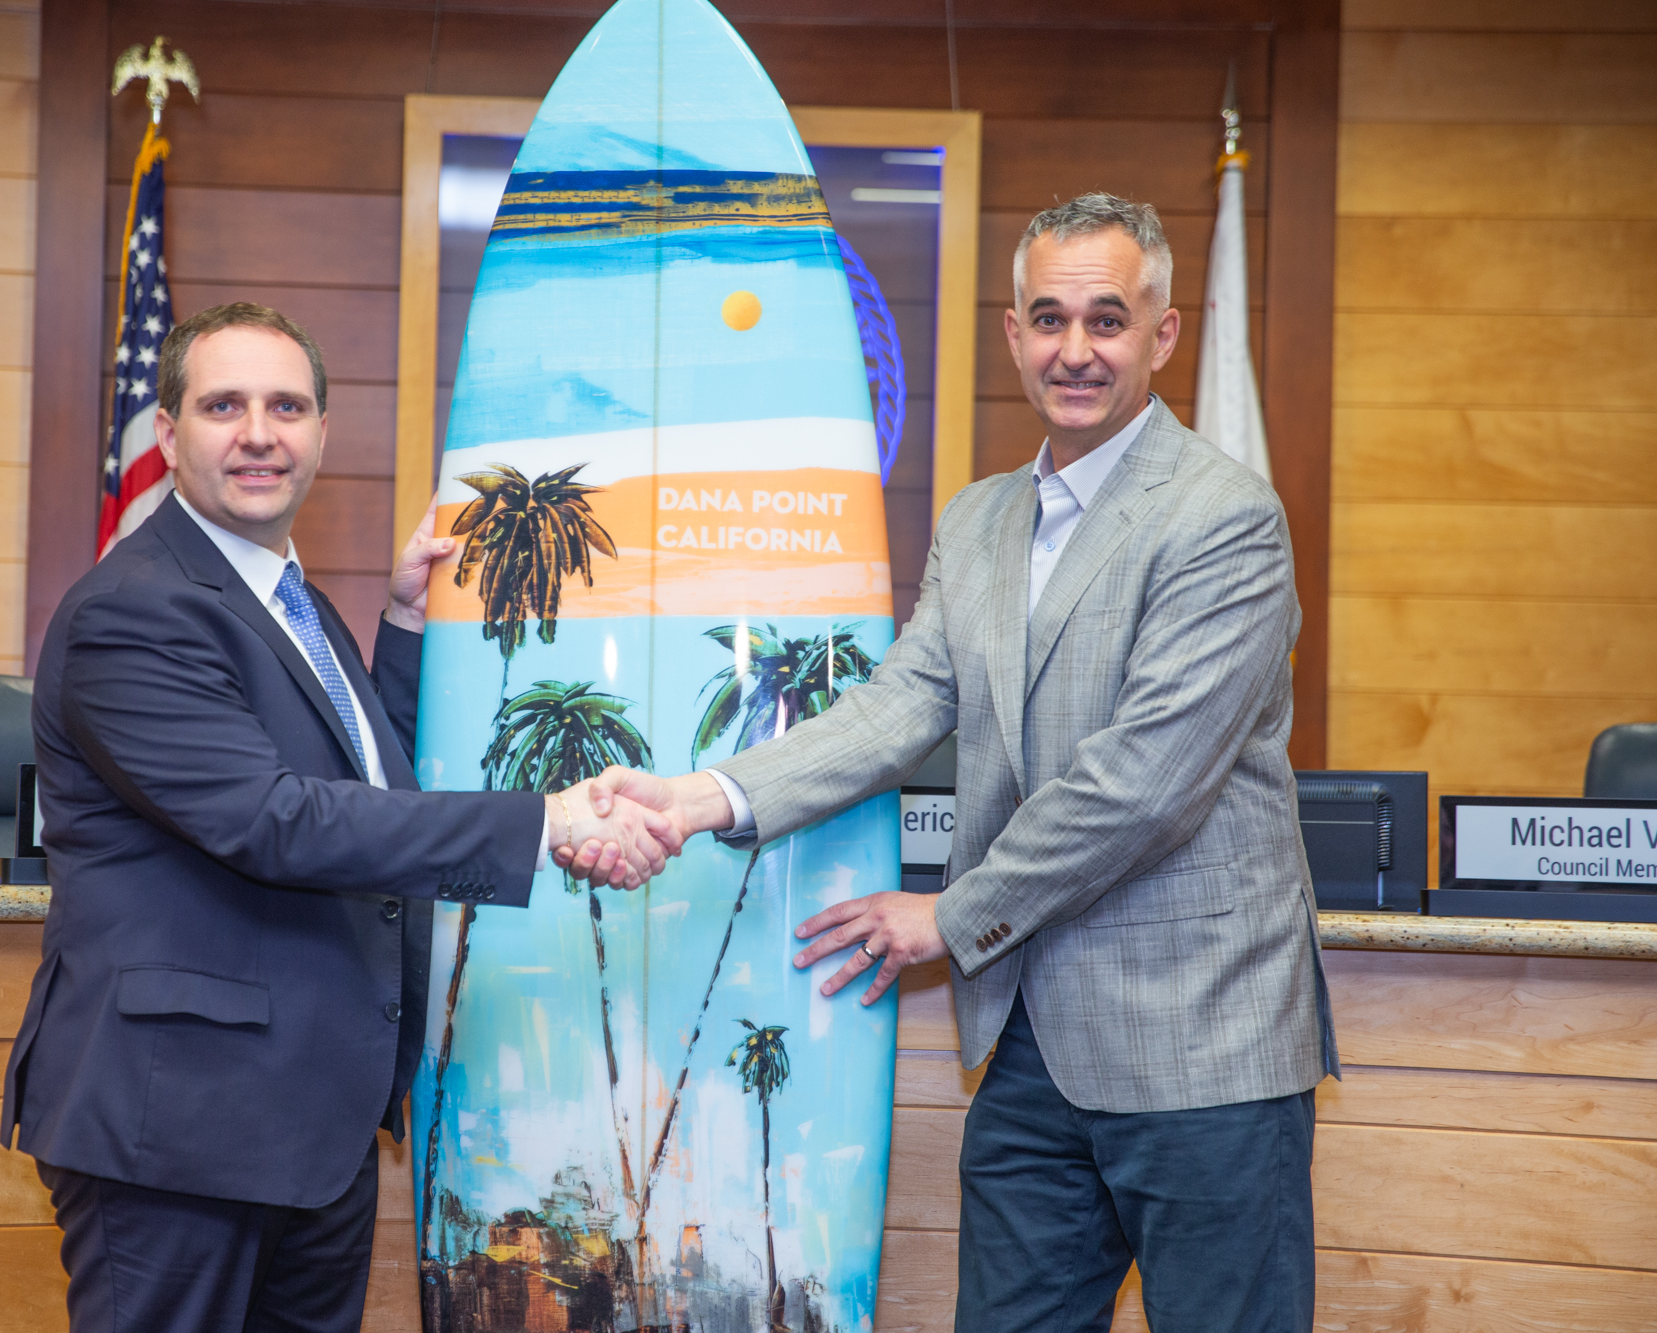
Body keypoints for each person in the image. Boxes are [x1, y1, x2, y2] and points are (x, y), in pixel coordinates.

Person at [570, 194, 1336, 1331]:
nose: (1073, 350)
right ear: (1012, 334)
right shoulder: (979, 521)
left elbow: (1142, 786)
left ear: (1162, 337)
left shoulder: (1225, 519)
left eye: (1106, 320)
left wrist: (948, 914)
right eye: (1046, 319)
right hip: (1027, 1052)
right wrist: (700, 797)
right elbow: (896, 709)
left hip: (1203, 1051)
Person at [1, 302, 679, 1333]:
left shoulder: (287, 602)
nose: (259, 432)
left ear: (322, 432)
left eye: (287, 405)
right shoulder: (131, 609)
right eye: (223, 405)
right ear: (171, 434)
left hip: (308, 1126)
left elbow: (362, 787)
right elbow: (276, 820)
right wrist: (543, 819)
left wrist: (402, 625)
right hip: (177, 1127)